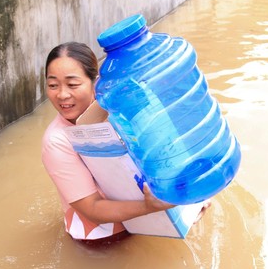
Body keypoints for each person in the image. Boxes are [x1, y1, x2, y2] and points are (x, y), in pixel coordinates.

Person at [41, 42, 175, 241]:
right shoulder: (57, 141)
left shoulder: (116, 108)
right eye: (53, 85)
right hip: (103, 239)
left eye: (72, 84)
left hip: (147, 222)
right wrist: (149, 206)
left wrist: (188, 199)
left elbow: (160, 150)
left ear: (95, 82)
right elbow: (92, 208)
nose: (62, 94)